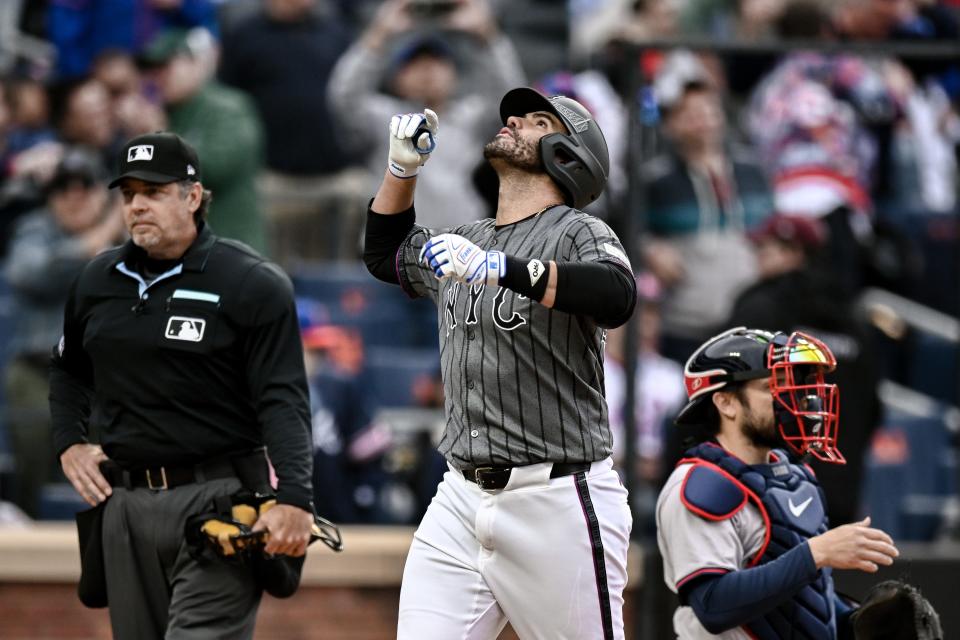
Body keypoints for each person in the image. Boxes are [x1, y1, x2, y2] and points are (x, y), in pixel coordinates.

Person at [364, 86, 637, 639]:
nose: (513, 119)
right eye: (516, 114)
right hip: (460, 495)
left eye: (536, 120)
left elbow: (617, 293)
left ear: (569, 153)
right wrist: (402, 168)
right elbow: (384, 256)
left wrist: (501, 267)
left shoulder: (580, 230)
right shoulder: (467, 237)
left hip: (558, 496)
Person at [49, 131, 315, 638]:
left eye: (153, 192)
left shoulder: (250, 281)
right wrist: (69, 442)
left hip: (217, 501)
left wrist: (297, 497)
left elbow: (283, 398)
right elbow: (66, 369)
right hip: (125, 505)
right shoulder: (95, 280)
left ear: (193, 197)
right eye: (128, 195)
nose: (137, 206)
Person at [655, 327, 900, 639]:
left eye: (792, 386)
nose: (792, 398)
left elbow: (802, 601)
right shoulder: (701, 485)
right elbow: (712, 605)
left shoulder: (797, 478)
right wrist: (815, 553)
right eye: (774, 386)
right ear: (726, 403)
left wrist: (857, 623)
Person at [4, 148, 124, 518]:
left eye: (84, 186)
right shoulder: (35, 231)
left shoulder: (132, 240)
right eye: (63, 188)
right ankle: (30, 535)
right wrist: (101, 235)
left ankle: (115, 530)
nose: (74, 196)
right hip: (39, 371)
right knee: (39, 448)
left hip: (105, 376)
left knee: (115, 456)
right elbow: (29, 272)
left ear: (101, 194)